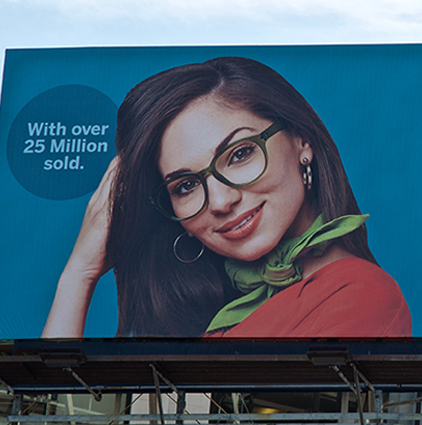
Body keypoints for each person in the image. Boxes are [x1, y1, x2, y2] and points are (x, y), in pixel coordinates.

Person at [42, 57, 411, 339]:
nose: (219, 201)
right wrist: (79, 273)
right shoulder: (208, 310)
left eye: (239, 154)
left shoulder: (357, 293)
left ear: (302, 141)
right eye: (185, 186)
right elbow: (48, 413)